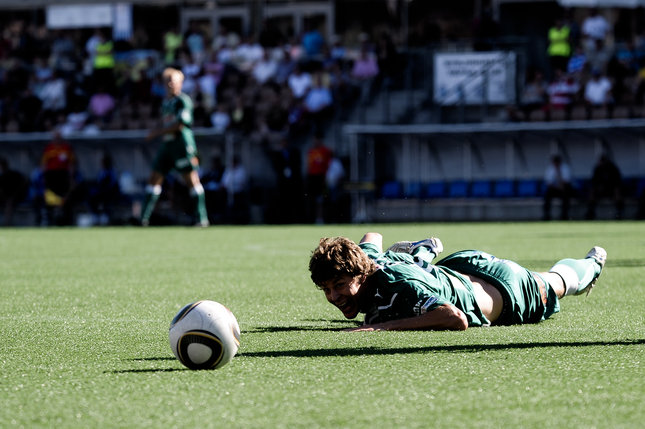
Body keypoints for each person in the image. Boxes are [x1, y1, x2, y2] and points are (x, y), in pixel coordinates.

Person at [309, 232, 606, 331]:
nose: (333, 296)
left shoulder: (396, 284)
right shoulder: (367, 260)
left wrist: (378, 326)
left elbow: (454, 317)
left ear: (361, 274)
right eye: (326, 289)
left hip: (505, 290)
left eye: (338, 285)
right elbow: (372, 237)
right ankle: (420, 253)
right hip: (458, 265)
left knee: (557, 282)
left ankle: (591, 265)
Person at [140, 67, 209, 227]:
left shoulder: (183, 101)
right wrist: (156, 130)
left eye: (173, 80)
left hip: (181, 144)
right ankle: (143, 218)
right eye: (167, 80)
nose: (170, 84)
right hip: (167, 144)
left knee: (191, 179)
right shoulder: (166, 103)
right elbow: (166, 122)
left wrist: (156, 133)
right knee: (154, 178)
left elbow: (179, 125)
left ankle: (201, 218)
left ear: (181, 83)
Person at [585, 153, 624, 220]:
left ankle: (619, 213)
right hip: (600, 191)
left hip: (611, 190)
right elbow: (594, 182)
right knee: (592, 191)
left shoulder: (613, 168)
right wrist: (599, 187)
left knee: (617, 191)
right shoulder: (597, 169)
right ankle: (590, 212)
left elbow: (617, 182)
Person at [543, 154, 574, 220]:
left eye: (557, 162)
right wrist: (557, 186)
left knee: (566, 194)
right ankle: (546, 215)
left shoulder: (565, 168)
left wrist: (561, 185)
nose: (556, 164)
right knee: (547, 194)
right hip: (554, 189)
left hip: (564, 189)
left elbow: (567, 181)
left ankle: (564, 215)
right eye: (555, 162)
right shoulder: (550, 169)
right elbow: (548, 182)